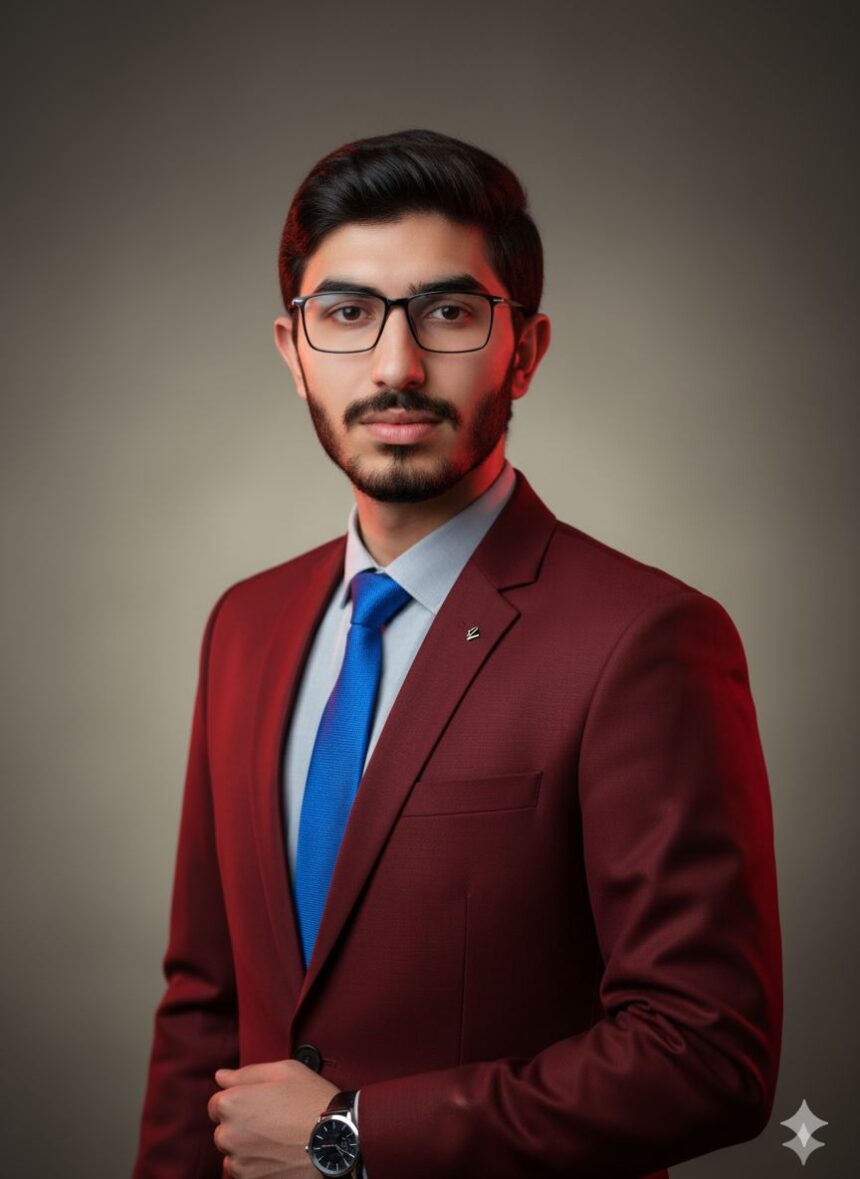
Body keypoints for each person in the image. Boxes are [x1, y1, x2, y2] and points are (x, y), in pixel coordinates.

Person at [132, 128, 782, 1179]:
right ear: (293, 351)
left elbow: (707, 1056)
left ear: (523, 349)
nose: (396, 366)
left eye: (447, 312)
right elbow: (204, 1012)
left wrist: (349, 1137)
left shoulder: (643, 639)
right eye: (347, 313)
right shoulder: (245, 625)